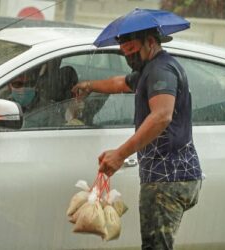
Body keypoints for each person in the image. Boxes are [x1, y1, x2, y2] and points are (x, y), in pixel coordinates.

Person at [72, 28, 202, 250]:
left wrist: (120, 154)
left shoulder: (161, 70)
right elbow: (119, 83)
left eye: (131, 49)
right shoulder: (150, 69)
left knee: (155, 247)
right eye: (123, 51)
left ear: (150, 42)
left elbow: (162, 116)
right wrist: (89, 85)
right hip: (171, 174)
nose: (128, 56)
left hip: (167, 178)